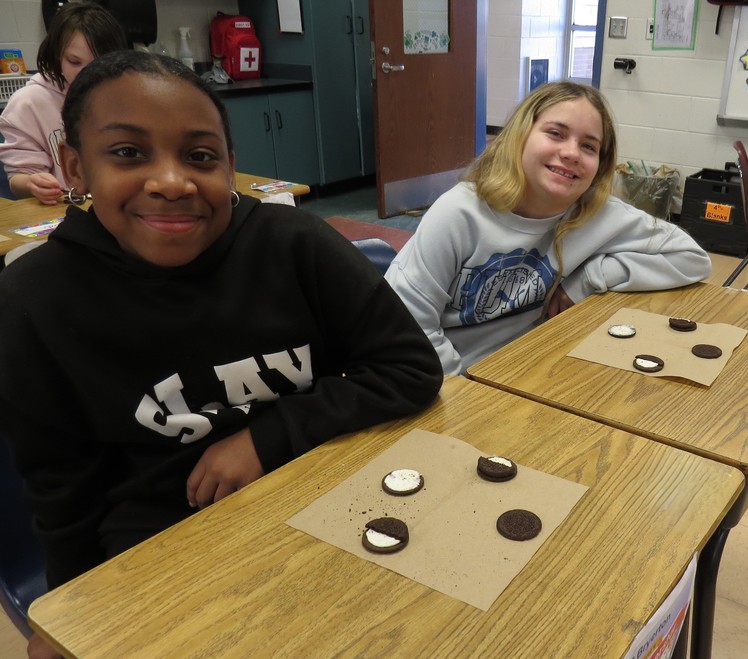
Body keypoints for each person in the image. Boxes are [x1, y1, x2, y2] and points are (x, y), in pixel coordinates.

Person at [0, 50, 443, 658]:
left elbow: (410, 368)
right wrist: (68, 611)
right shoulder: (31, 302)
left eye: (200, 156)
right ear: (75, 167)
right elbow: (61, 487)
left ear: (232, 166)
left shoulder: (295, 246)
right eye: (128, 153)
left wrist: (269, 435)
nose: (172, 181)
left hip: (319, 496)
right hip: (164, 545)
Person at [385, 82, 712, 376]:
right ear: (520, 137)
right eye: (555, 133)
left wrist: (588, 278)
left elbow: (691, 258)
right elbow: (408, 324)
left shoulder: (596, 213)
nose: (571, 153)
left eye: (588, 146)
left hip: (528, 367)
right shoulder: (460, 213)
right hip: (445, 377)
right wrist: (462, 391)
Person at [0, 1, 127, 203]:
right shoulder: (28, 104)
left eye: (99, 62)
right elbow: (17, 179)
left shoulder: (128, 97)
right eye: (74, 62)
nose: (86, 72)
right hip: (64, 211)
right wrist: (33, 183)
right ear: (57, 56)